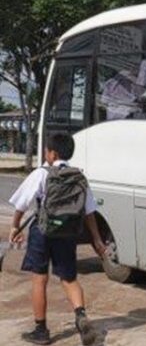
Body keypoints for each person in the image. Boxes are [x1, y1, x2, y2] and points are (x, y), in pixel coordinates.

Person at [7, 133, 106, 346]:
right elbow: (89, 212)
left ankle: (41, 330)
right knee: (69, 278)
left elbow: (21, 204)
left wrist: (15, 226)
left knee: (39, 279)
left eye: (46, 151)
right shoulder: (78, 177)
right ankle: (80, 316)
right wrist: (97, 240)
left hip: (42, 232)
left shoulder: (42, 173)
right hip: (68, 233)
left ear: (52, 153)